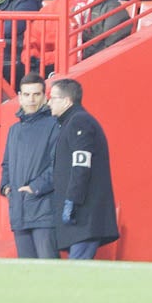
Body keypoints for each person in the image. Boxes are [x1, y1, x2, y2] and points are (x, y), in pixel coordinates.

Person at [48, 78, 118, 260]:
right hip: (80, 216)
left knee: (77, 271)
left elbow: (81, 165)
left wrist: (72, 200)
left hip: (84, 214)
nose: (49, 103)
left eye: (52, 98)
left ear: (66, 100)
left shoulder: (79, 122)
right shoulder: (72, 122)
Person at [0, 72, 59, 259]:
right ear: (19, 96)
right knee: (27, 273)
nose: (31, 100)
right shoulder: (14, 130)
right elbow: (7, 164)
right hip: (18, 209)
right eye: (26, 95)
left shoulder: (55, 125)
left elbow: (58, 165)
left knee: (49, 270)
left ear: (44, 96)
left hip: (44, 210)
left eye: (36, 94)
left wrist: (35, 188)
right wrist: (6, 187)